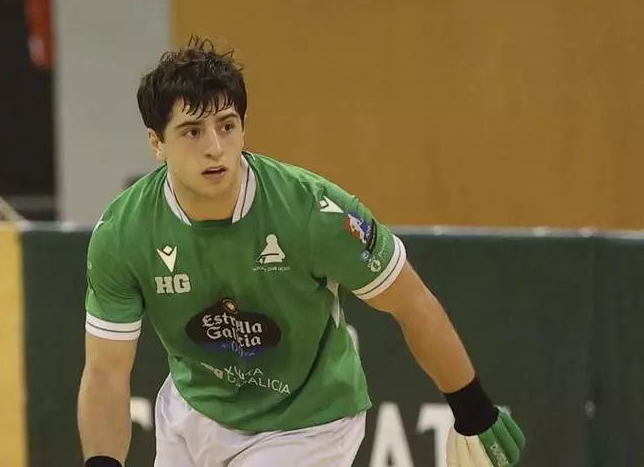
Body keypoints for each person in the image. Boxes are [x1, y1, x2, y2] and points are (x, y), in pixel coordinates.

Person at [77, 37, 526, 467]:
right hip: (195, 410)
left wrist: (473, 409)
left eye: (227, 126)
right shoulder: (124, 232)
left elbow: (412, 302)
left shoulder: (315, 212)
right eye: (192, 131)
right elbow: (106, 371)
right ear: (157, 143)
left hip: (308, 422)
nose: (214, 148)